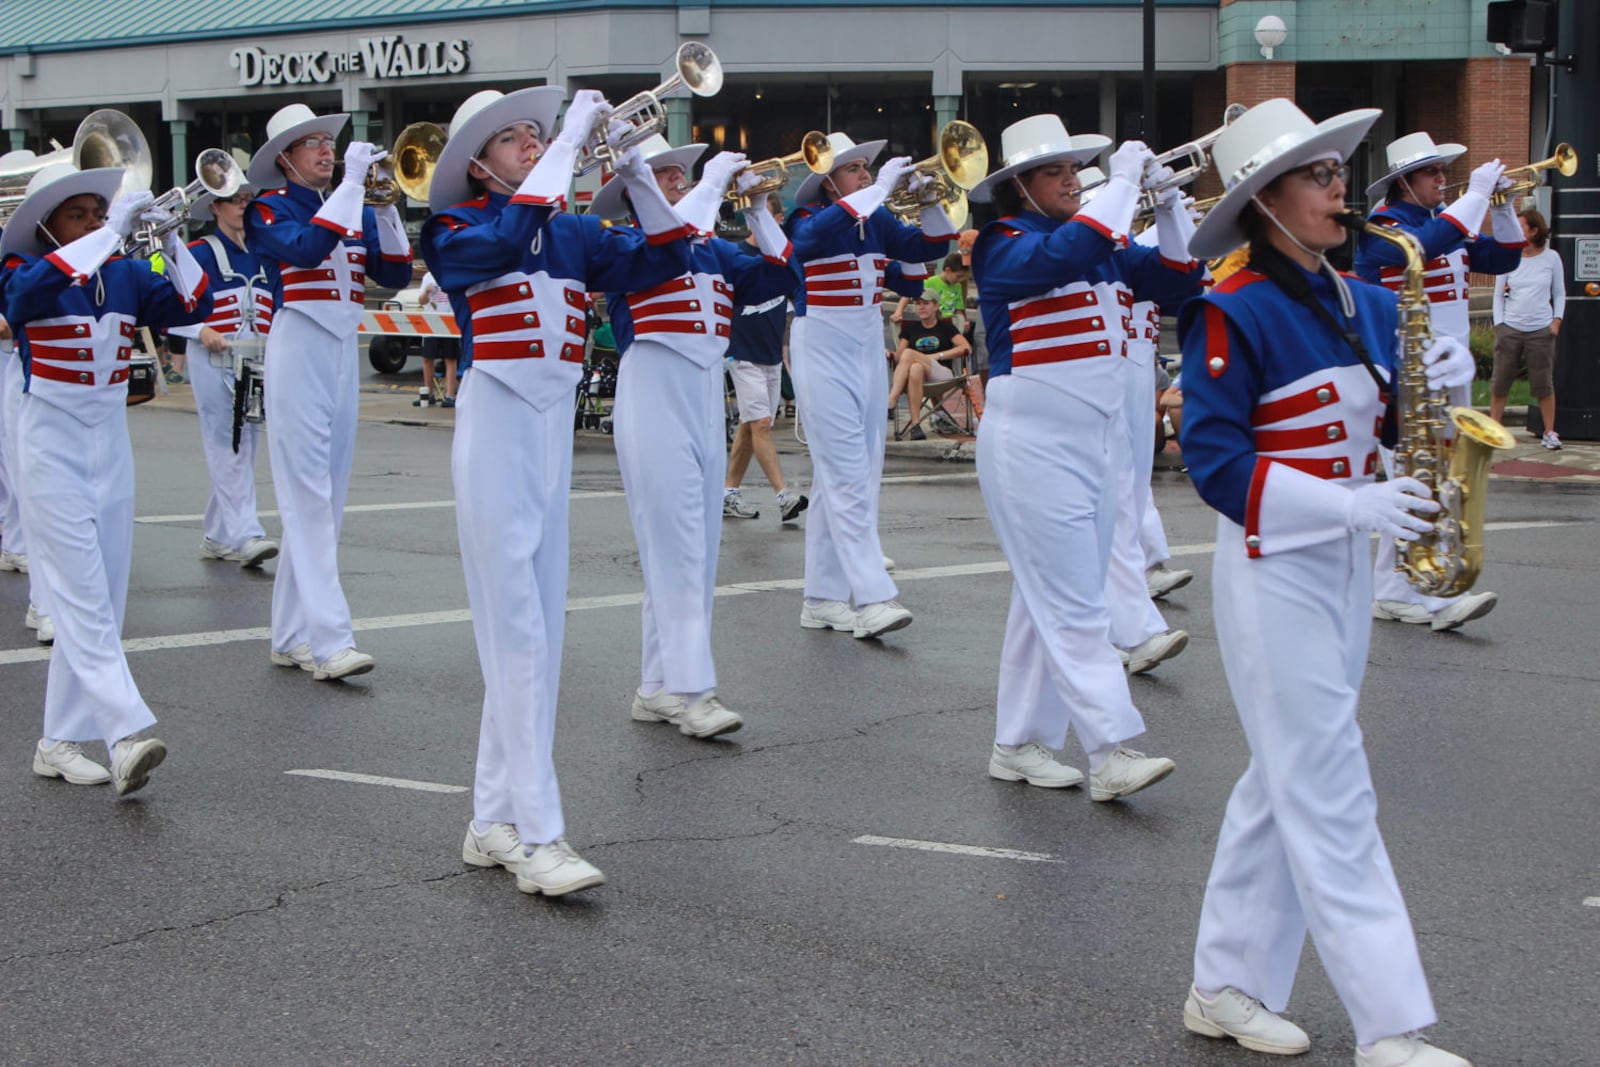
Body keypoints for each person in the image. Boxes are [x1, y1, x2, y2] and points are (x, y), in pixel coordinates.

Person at [1179, 98, 1477, 1067]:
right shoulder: (1232, 308)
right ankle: (1390, 1023)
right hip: (1274, 573)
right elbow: (1216, 465)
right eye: (1314, 175)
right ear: (1264, 201)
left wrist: (1434, 382)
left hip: (1346, 566)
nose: (1336, 187)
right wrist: (1347, 506)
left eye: (1335, 170)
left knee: (1284, 778)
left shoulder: (1370, 299)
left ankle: (1222, 983)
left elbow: (1393, 427)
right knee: (1332, 785)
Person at [422, 87, 692, 895]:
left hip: (551, 433)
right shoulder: (457, 227)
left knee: (538, 632)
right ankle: (538, 834)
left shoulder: (572, 231)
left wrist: (637, 170)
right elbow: (505, 239)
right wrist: (567, 142)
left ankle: (491, 819)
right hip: (496, 425)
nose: (530, 147)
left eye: (535, 136)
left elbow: (671, 257)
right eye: (513, 140)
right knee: (517, 637)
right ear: (477, 163)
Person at [969, 112, 1201, 799]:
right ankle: (1111, 748)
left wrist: (1169, 203)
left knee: (1048, 598)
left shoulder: (1101, 242)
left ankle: (1018, 743)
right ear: (1021, 187)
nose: (1072, 179)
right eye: (1055, 171)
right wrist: (1122, 181)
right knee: (1075, 603)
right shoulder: (1003, 240)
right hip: (1031, 442)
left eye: (1076, 169)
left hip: (1094, 438)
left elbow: (1183, 279)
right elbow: (1061, 255)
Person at [0, 160, 213, 795]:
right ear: (47, 227)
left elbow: (191, 304)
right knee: (81, 595)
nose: (97, 222)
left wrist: (171, 241)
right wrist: (107, 234)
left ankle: (58, 740)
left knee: (103, 599)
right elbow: (23, 301)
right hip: (50, 443)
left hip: (110, 444)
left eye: (99, 212)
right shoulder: (23, 271)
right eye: (80, 214)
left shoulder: (121, 274)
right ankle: (124, 733)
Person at [592, 133, 797, 740]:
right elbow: (668, 243)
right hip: (654, 383)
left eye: (684, 177)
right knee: (677, 542)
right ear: (637, 192)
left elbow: (783, 274)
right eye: (667, 178)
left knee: (694, 547)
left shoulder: (713, 252)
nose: (680, 185)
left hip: (706, 387)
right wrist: (710, 189)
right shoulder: (625, 241)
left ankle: (657, 685)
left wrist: (758, 210)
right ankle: (692, 689)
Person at [244, 103, 413, 680]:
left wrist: (388, 208)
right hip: (298, 341)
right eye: (311, 143)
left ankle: (291, 633)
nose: (326, 149)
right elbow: (308, 250)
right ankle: (330, 640)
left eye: (327, 140)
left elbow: (392, 272)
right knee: (308, 495)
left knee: (328, 497)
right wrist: (349, 188)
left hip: (342, 345)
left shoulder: (348, 201)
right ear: (285, 159)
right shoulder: (268, 207)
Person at [785, 132, 959, 639]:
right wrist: (879, 190)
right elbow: (812, 244)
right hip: (821, 341)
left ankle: (821, 597)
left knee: (854, 472)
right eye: (855, 168)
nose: (866, 174)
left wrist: (928, 201)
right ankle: (874, 595)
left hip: (866, 342)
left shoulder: (875, 217)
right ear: (828, 182)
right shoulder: (807, 219)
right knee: (843, 472)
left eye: (867, 167)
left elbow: (926, 254)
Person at [1355, 131, 1523, 633]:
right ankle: (1422, 593)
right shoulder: (1383, 227)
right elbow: (1423, 249)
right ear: (1405, 181)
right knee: (1418, 476)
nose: (1442, 180)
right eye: (1433, 173)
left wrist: (1505, 207)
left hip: (1449, 365)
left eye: (1444, 172)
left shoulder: (1446, 223)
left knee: (1438, 478)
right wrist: (1475, 197)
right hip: (1401, 364)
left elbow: (1506, 258)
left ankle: (1395, 588)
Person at [167, 185, 280, 568]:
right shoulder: (199, 252)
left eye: (248, 201)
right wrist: (199, 331)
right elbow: (171, 300)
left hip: (255, 358)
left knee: (243, 447)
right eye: (235, 201)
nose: (243, 208)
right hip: (214, 356)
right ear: (215, 207)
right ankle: (247, 533)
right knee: (227, 443)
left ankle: (217, 535)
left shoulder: (265, 252)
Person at [723, 194, 808, 524]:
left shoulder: (782, 258)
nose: (779, 223)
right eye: (774, 217)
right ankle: (783, 495)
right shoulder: (738, 254)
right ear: (755, 220)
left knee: (751, 424)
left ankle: (729, 493)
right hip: (742, 353)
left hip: (770, 354)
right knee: (760, 424)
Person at [1490, 207, 1564, 448]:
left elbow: (1559, 292)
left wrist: (1556, 321)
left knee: (1543, 384)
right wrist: (1499, 324)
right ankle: (1494, 431)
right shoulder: (1508, 256)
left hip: (1541, 330)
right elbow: (1498, 294)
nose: (1516, 230)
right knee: (1500, 382)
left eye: (1520, 226)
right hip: (1510, 328)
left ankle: (1549, 432)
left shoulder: (1551, 258)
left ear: (1534, 230)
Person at [887, 288, 969, 440]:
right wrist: (890, 354)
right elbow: (899, 358)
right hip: (917, 379)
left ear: (936, 306)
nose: (921, 307)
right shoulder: (911, 329)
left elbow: (966, 348)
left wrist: (937, 356)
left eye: (926, 303)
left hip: (942, 375)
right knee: (915, 368)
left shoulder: (946, 327)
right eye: (918, 303)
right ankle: (915, 426)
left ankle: (891, 401)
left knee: (909, 354)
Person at [890, 252, 969, 331]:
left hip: (949, 326)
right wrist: (899, 311)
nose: (959, 280)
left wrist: (963, 321)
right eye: (958, 276)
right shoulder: (929, 282)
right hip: (932, 324)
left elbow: (959, 310)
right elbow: (908, 294)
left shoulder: (957, 286)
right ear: (948, 270)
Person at [416, 270, 459, 408]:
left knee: (450, 358)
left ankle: (450, 396)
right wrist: (427, 292)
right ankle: (428, 395)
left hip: (449, 321)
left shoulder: (451, 273)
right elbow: (421, 301)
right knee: (427, 358)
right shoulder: (428, 277)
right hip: (431, 322)